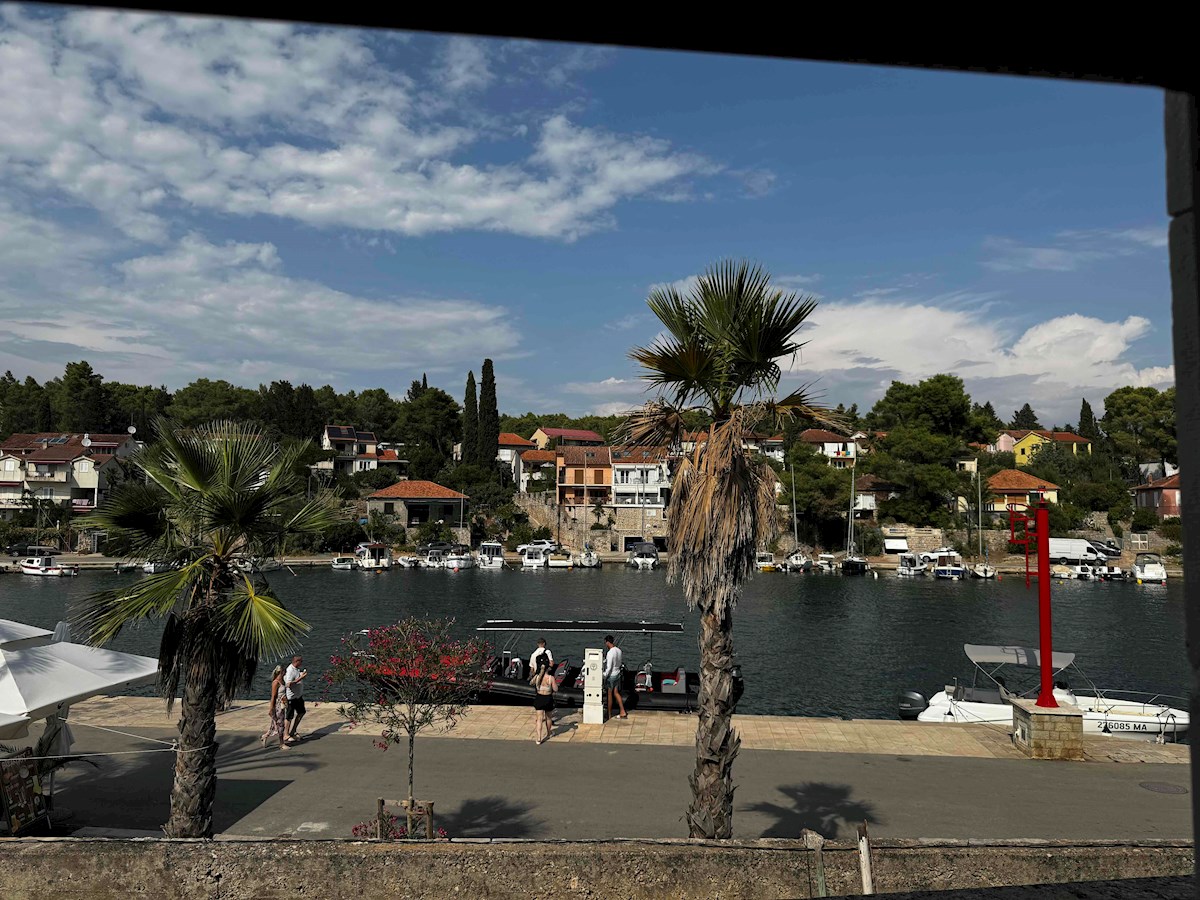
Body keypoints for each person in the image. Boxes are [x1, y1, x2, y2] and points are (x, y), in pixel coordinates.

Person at [261, 665, 292, 749]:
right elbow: (273, 696)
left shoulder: (282, 681)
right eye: (284, 671)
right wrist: (271, 708)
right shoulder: (276, 682)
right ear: (281, 672)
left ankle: (265, 736)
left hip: (283, 705)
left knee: (274, 724)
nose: (286, 673)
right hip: (278, 706)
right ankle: (281, 744)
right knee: (280, 724)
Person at [531, 655, 556, 744]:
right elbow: (556, 689)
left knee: (539, 719)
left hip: (539, 697)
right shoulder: (550, 678)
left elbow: (532, 683)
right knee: (548, 717)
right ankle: (549, 733)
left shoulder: (537, 677)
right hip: (548, 698)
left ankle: (538, 738)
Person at [284, 655, 308, 741]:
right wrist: (301, 677)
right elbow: (288, 684)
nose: (302, 663)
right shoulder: (290, 670)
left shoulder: (296, 669)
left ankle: (293, 731)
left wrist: (301, 675)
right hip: (292, 697)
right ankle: (285, 734)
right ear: (297, 661)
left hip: (298, 696)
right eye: (301, 661)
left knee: (301, 712)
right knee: (289, 716)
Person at [603, 635, 627, 720]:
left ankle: (609, 714)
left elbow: (609, 668)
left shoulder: (610, 653)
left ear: (607, 642)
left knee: (609, 695)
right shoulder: (619, 650)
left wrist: (604, 675)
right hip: (618, 674)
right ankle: (622, 711)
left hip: (611, 676)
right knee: (616, 693)